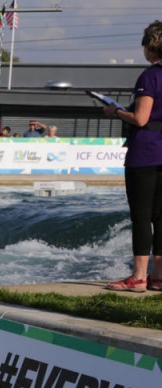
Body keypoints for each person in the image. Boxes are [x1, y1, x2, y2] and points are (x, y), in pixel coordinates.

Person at [103, 19, 162, 293]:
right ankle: (158, 276)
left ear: (150, 48)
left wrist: (115, 111)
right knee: (161, 217)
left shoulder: (150, 76)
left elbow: (140, 118)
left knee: (142, 216)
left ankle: (138, 276)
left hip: (146, 153)